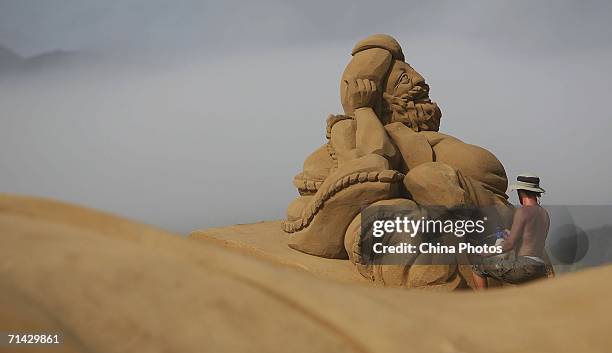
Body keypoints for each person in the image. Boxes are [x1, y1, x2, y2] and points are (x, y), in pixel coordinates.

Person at [472, 173, 550, 289]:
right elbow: (532, 239)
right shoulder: (544, 214)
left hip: (525, 267)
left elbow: (509, 245)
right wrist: (511, 234)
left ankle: (484, 304)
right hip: (540, 267)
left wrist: (486, 252)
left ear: (521, 192)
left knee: (477, 267)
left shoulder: (522, 212)